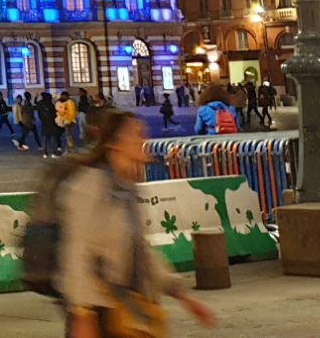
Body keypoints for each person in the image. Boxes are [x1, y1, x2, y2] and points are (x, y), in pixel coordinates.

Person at [56, 109, 216, 336]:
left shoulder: (125, 187)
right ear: (114, 144)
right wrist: (82, 313)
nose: (145, 139)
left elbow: (139, 249)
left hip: (128, 307)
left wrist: (182, 296)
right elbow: (76, 252)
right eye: (136, 134)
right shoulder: (90, 185)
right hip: (100, 312)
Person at [35, 91, 61, 157]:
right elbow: (54, 114)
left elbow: (38, 113)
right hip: (51, 123)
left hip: (44, 123)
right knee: (52, 138)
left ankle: (45, 153)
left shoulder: (40, 104)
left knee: (45, 138)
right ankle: (53, 152)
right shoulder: (50, 105)